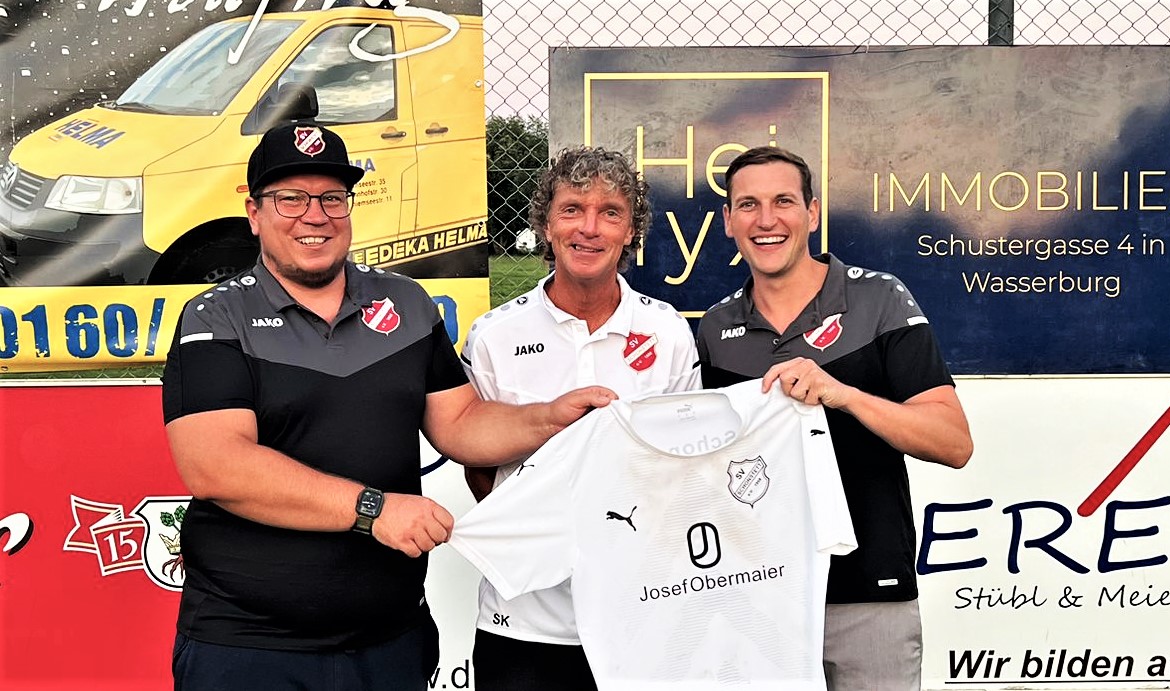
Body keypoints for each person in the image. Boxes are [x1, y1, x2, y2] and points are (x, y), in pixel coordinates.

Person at [161, 124, 615, 691]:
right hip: (249, 644)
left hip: (390, 638)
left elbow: (461, 423)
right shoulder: (215, 317)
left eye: (332, 198)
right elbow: (215, 465)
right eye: (291, 199)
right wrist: (372, 509)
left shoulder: (406, 303)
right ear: (255, 214)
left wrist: (548, 417)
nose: (315, 216)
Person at [695, 146, 973, 691]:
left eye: (783, 201)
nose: (766, 220)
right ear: (728, 221)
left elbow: (953, 442)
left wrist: (845, 395)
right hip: (757, 599)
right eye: (748, 205)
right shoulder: (715, 327)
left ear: (813, 212)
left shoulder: (880, 298)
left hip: (869, 592)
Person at [459, 146, 701, 690]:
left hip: (643, 612)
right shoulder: (494, 334)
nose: (589, 228)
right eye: (572, 209)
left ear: (631, 231)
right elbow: (478, 468)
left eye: (610, 212)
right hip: (523, 621)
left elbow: (686, 468)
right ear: (546, 225)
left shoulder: (668, 332)